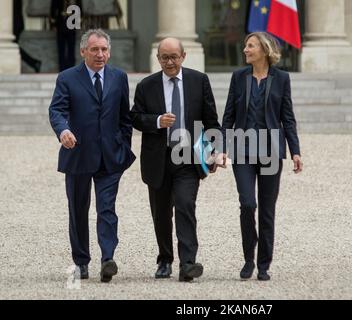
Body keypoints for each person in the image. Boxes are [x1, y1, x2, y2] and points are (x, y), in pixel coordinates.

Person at [131, 37, 223, 282]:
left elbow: (212, 122)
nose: (169, 62)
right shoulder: (146, 86)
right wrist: (157, 121)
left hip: (188, 158)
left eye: (173, 57)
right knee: (161, 213)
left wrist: (214, 152)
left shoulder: (199, 81)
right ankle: (165, 259)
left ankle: (188, 263)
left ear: (183, 56)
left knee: (185, 205)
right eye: (164, 57)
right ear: (158, 58)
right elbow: (136, 118)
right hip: (157, 158)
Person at [49, 29, 135, 283]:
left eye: (104, 50)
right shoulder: (67, 78)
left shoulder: (119, 77)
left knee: (107, 208)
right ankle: (81, 261)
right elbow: (57, 110)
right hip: (77, 154)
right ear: (83, 51)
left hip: (110, 156)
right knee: (78, 209)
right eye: (95, 49)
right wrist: (63, 130)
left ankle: (107, 258)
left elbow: (124, 116)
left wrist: (123, 144)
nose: (100, 54)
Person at [221, 32, 303, 281]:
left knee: (267, 210)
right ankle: (248, 259)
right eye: (245, 45)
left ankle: (263, 264)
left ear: (265, 50)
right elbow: (229, 116)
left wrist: (295, 151)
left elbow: (287, 117)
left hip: (271, 152)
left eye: (250, 46)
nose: (245, 50)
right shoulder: (239, 77)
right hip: (243, 151)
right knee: (248, 204)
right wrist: (222, 148)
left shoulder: (281, 78)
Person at [51, 0, 82, 71]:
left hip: (72, 24)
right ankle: (62, 69)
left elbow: (79, 8)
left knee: (71, 48)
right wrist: (54, 24)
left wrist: (78, 23)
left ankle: (71, 69)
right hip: (61, 24)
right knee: (61, 49)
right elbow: (53, 8)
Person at [13, 0, 41, 73]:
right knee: (12, 47)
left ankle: (34, 63)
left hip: (15, 25)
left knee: (11, 47)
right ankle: (34, 63)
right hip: (16, 24)